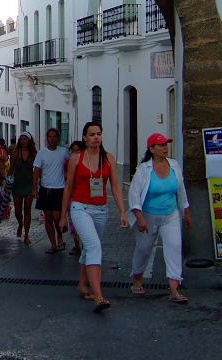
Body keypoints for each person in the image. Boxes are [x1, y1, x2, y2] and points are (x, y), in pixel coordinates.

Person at [59, 121, 127, 313]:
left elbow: (115, 187)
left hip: (101, 210)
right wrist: (63, 215)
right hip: (80, 208)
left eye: (98, 134)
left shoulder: (109, 159)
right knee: (94, 246)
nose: (96, 137)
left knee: (90, 248)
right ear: (84, 138)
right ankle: (99, 296)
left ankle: (82, 284)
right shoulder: (75, 158)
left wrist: (122, 211)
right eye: (91, 134)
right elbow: (68, 187)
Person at [128, 133, 192, 303]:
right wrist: (139, 217)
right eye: (161, 145)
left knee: (174, 247)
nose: (165, 147)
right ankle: (137, 277)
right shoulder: (144, 169)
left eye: (166, 144)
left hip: (170, 215)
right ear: (151, 149)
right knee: (144, 248)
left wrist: (186, 211)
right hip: (148, 216)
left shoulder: (174, 165)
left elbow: (181, 190)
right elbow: (134, 195)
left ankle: (174, 289)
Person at [33, 128, 70, 253]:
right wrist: (35, 188)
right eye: (50, 136)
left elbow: (71, 165)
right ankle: (53, 244)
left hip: (59, 189)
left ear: (58, 138)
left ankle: (60, 237)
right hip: (45, 189)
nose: (52, 139)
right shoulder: (41, 153)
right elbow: (36, 171)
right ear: (47, 138)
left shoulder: (64, 152)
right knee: (47, 218)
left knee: (57, 217)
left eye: (55, 136)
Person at [9, 133, 37, 244]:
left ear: (29, 140)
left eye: (25, 139)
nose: (23, 141)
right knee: (17, 211)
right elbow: (11, 168)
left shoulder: (33, 153)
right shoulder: (15, 153)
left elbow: (37, 169)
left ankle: (26, 234)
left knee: (28, 210)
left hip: (29, 185)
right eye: (21, 139)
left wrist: (36, 186)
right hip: (17, 184)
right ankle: (20, 224)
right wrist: (7, 182)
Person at [66, 141, 84, 255]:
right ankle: (76, 245)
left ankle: (85, 244)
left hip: (84, 196)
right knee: (73, 221)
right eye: (73, 151)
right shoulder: (68, 163)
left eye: (78, 150)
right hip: (72, 196)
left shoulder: (87, 163)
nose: (75, 153)